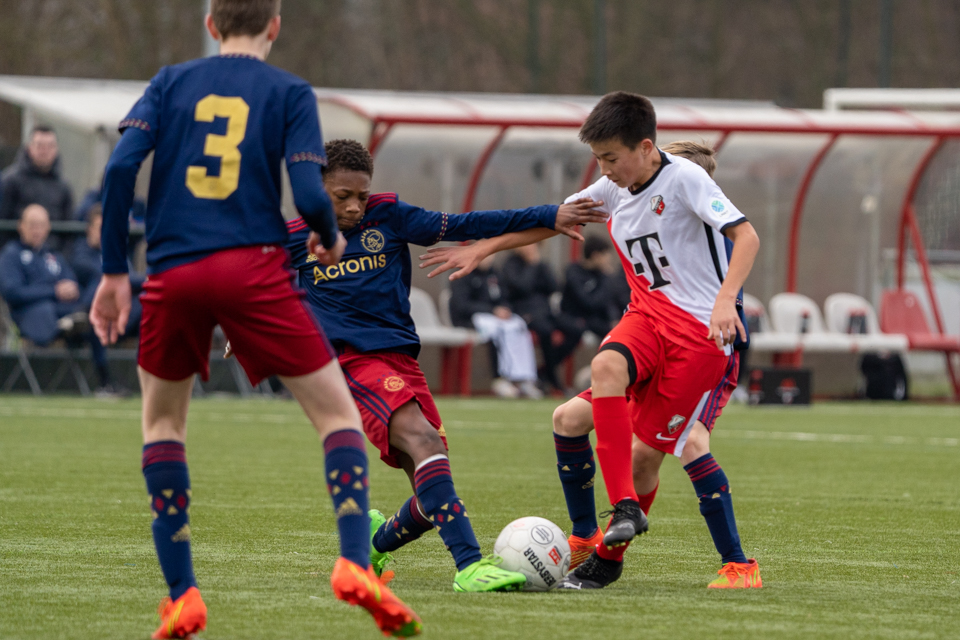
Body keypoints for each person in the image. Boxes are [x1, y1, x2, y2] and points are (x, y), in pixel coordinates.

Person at [89, 2, 422, 638]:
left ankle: (183, 593)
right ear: (274, 25)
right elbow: (305, 190)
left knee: (162, 423)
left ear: (211, 25)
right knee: (336, 415)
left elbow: (120, 169)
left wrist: (111, 272)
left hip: (173, 272)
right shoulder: (289, 90)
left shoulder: (169, 81)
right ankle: (354, 561)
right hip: (253, 271)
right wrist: (328, 235)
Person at [420, 118, 762, 592]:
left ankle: (729, 563)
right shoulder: (616, 187)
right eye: (599, 159)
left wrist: (728, 302)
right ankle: (589, 532)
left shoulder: (691, 194)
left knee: (665, 454)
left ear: (646, 150)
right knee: (569, 415)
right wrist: (486, 247)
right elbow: (554, 219)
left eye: (610, 158)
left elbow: (745, 242)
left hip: (701, 346)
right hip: (649, 327)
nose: (603, 169)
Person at [280, 138, 606, 593]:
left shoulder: (388, 215)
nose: (355, 207)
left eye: (361, 195)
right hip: (350, 364)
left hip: (400, 362)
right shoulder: (293, 239)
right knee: (424, 440)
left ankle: (370, 544)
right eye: (342, 197)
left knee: (433, 492)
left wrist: (547, 214)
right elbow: (252, 283)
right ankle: (470, 566)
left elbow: (467, 223)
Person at [449, 254, 542, 398]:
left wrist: (504, 309)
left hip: (496, 317)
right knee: (497, 331)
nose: (488, 259)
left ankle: (523, 378)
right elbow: (461, 305)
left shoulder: (495, 274)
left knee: (519, 326)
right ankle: (500, 378)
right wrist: (491, 310)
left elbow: (504, 297)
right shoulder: (463, 273)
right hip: (468, 320)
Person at [0, 204, 87, 347]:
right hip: (28, 314)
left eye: (41, 225)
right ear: (20, 225)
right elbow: (12, 292)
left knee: (86, 310)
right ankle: (62, 328)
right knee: (44, 310)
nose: (37, 230)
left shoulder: (53, 255)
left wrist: (72, 289)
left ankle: (100, 366)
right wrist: (54, 291)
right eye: (32, 225)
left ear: (48, 227)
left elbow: (71, 281)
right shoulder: (11, 254)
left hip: (61, 310)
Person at [500, 243, 581, 393]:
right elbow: (523, 286)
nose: (531, 247)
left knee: (576, 329)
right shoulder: (511, 264)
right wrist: (532, 265)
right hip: (524, 313)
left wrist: (540, 265)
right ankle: (553, 380)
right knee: (546, 331)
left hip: (546, 312)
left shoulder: (540, 264)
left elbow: (554, 286)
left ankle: (543, 372)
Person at [0, 125, 73, 222]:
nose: (45, 151)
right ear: (29, 147)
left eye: (50, 146)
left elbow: (69, 225)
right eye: (40, 145)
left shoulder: (64, 187)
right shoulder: (9, 181)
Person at [561, 235, 620, 339]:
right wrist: (607, 278)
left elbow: (609, 302)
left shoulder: (600, 275)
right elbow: (589, 303)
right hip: (574, 318)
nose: (609, 260)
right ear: (595, 255)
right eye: (605, 255)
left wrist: (613, 319)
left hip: (594, 320)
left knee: (618, 331)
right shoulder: (574, 272)